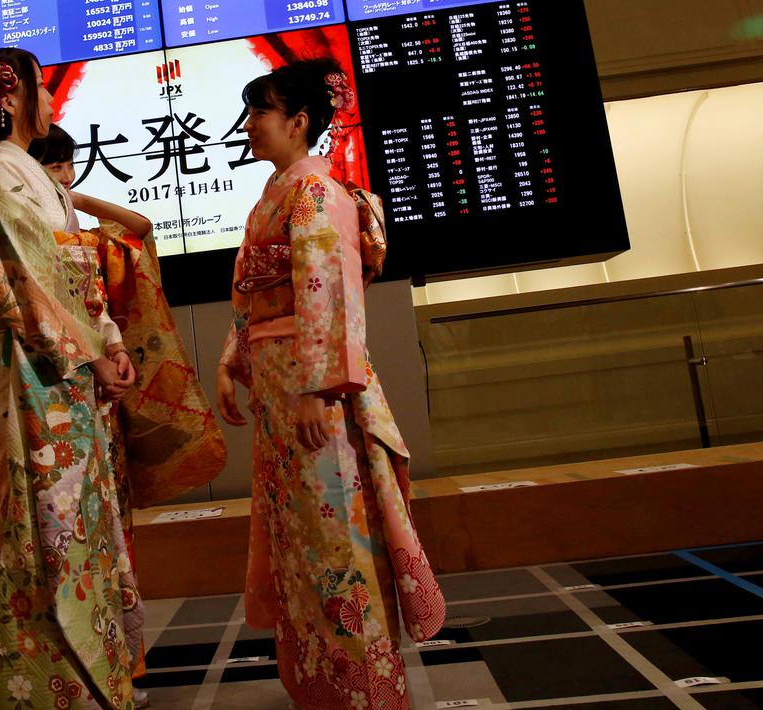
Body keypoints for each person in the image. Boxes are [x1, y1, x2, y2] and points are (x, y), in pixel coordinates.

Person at [215, 58, 447, 708]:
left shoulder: (315, 194)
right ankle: (319, 682)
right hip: (279, 392)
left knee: (335, 540)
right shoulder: (275, 195)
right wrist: (232, 359)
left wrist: (319, 386)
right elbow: (257, 296)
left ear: (299, 121)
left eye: (259, 111)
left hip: (314, 396)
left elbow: (326, 288)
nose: (249, 125)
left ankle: (363, 688)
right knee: (301, 543)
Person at [0, 48, 141, 709]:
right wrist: (91, 351)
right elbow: (22, 277)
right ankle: (53, 687)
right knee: (47, 523)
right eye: (44, 89)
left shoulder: (22, 174)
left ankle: (90, 678)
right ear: (13, 98)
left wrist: (108, 338)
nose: (51, 102)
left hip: (65, 368)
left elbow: (72, 276)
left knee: (78, 522)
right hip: (36, 368)